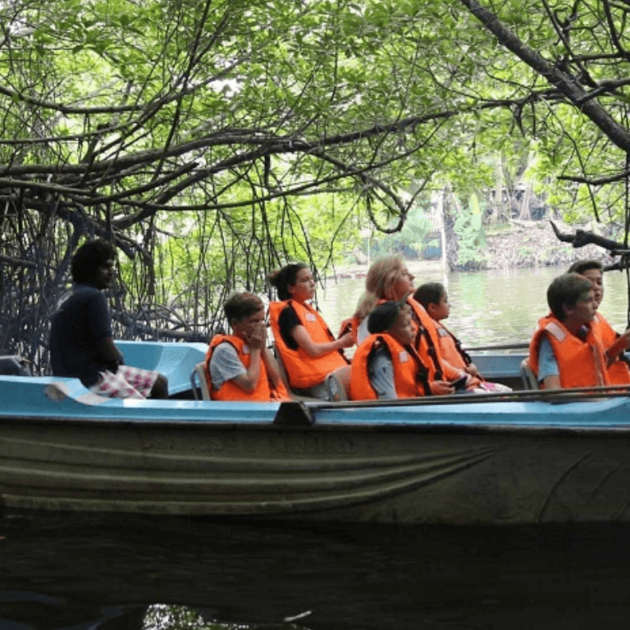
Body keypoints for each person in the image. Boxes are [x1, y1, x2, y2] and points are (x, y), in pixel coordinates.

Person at [50, 238, 168, 399]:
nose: (111, 272)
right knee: (140, 406)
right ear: (90, 268)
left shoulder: (67, 296)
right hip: (89, 378)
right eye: (105, 267)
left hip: (80, 374)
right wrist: (118, 357)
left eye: (112, 266)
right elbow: (107, 349)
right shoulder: (94, 297)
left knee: (159, 382)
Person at [352, 255, 464, 395]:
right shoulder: (376, 322)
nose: (412, 277)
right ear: (390, 282)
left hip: (432, 391)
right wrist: (429, 389)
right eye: (405, 274)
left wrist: (457, 374)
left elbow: (428, 356)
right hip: (415, 400)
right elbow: (383, 379)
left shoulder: (407, 311)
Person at [268, 263, 353, 399]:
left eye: (312, 279)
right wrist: (342, 342)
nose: (312, 283)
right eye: (305, 280)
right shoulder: (288, 313)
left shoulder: (305, 309)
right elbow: (312, 349)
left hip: (329, 374)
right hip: (316, 383)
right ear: (291, 288)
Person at [205, 292, 291, 402]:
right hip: (239, 413)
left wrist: (263, 348)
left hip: (263, 406)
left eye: (262, 320)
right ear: (235, 323)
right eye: (254, 321)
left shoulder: (254, 343)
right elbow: (250, 385)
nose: (261, 326)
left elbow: (278, 380)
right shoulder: (225, 350)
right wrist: (255, 350)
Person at [529, 273, 609, 390]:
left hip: (598, 401)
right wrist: (593, 399)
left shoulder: (585, 332)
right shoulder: (549, 342)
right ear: (568, 308)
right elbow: (554, 392)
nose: (596, 305)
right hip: (577, 406)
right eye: (588, 300)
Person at [349, 298, 432, 400]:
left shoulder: (401, 351)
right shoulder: (382, 361)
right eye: (406, 325)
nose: (413, 328)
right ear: (387, 332)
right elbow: (388, 403)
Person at [567, 259, 630, 384]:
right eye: (588, 283)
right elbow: (584, 375)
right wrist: (619, 347)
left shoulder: (596, 318)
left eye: (599, 282)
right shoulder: (573, 325)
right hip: (608, 396)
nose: (596, 287)